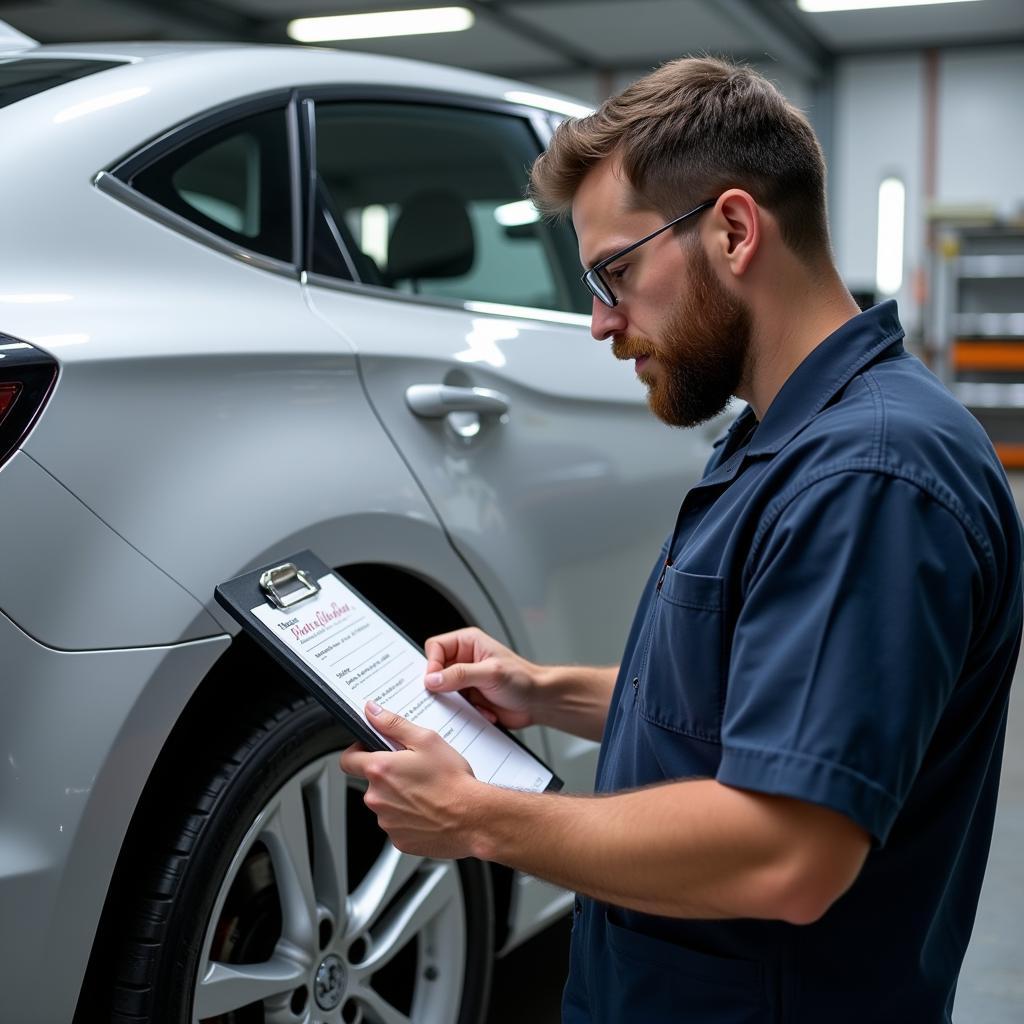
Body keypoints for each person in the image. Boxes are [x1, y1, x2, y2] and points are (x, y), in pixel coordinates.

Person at [340, 57, 1023, 1022]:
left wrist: (480, 820)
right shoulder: (781, 436)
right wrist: (544, 692)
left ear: (735, 230)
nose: (600, 321)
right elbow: (757, 702)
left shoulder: (868, 477)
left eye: (616, 271)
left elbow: (789, 854)